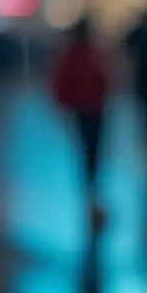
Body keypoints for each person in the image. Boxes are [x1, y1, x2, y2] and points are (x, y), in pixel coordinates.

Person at [50, 17, 109, 227]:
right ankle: (91, 196)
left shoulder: (85, 54)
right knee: (89, 153)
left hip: (93, 111)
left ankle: (92, 195)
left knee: (92, 153)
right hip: (85, 112)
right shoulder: (79, 55)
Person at [123, 10, 147, 146]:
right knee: (145, 103)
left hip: (144, 74)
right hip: (145, 74)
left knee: (145, 104)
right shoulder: (142, 33)